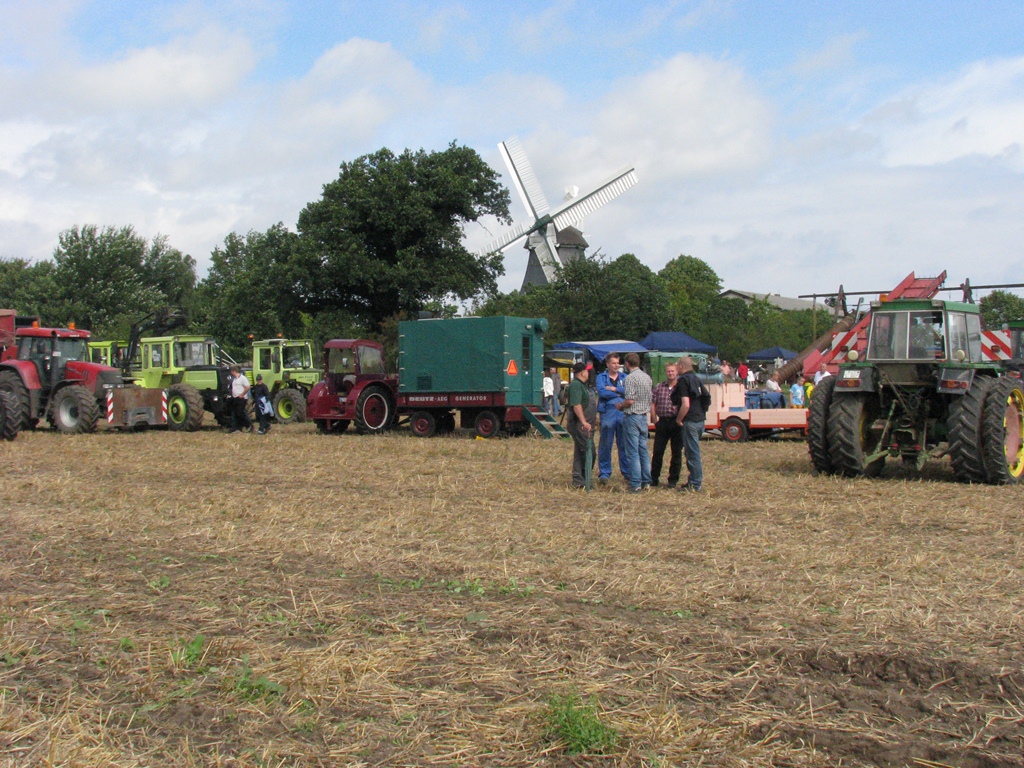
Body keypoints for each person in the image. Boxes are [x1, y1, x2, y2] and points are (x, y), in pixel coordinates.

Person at [616, 352, 653, 493]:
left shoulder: (630, 378)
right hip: (644, 416)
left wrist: (620, 405)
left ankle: (635, 483)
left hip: (632, 416)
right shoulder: (647, 377)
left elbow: (630, 400)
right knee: (643, 450)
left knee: (632, 451)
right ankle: (646, 481)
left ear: (627, 364)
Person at [595, 353, 629, 484]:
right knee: (605, 444)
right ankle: (604, 473)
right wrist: (619, 393)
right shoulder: (601, 377)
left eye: (617, 363)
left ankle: (627, 472)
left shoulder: (624, 377)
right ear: (608, 364)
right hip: (608, 412)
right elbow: (602, 392)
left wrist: (614, 389)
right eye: (613, 363)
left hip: (623, 412)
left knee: (624, 444)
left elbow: (628, 391)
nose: (616, 366)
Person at [675, 356, 706, 492]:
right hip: (700, 419)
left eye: (677, 365)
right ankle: (693, 480)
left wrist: (679, 419)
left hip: (690, 420)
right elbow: (706, 397)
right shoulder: (697, 379)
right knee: (692, 452)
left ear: (681, 366)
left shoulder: (684, 380)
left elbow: (685, 404)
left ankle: (695, 484)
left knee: (692, 453)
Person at [649, 362, 683, 489]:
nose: (671, 373)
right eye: (668, 371)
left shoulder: (681, 387)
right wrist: (654, 420)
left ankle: (673, 480)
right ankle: (654, 478)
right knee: (658, 452)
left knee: (676, 452)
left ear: (677, 372)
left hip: (676, 422)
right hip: (662, 422)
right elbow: (653, 403)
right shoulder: (659, 387)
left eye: (673, 371)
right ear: (665, 372)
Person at [566, 362, 595, 489]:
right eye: (587, 371)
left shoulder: (583, 385)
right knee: (589, 452)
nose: (588, 373)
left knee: (580, 451)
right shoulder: (576, 385)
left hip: (586, 424)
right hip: (579, 425)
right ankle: (584, 479)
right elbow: (576, 405)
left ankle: (579, 480)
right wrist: (583, 422)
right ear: (582, 373)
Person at [227, 365, 252, 433]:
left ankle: (248, 424)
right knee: (234, 413)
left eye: (231, 371)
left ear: (234, 371)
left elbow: (248, 387)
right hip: (235, 398)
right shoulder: (234, 379)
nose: (231, 372)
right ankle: (236, 428)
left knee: (240, 412)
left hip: (241, 398)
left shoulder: (243, 378)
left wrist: (242, 394)